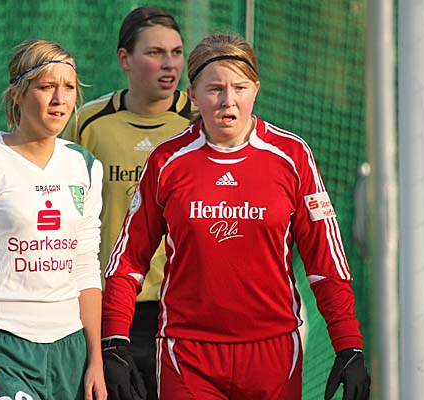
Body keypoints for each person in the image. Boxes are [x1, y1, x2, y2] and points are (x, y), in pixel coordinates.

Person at [101, 33, 371, 400]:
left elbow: (326, 262)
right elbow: (128, 261)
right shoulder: (167, 161)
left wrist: (348, 344)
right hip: (188, 355)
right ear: (192, 95)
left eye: (239, 87)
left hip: (273, 356)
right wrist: (115, 340)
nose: (228, 100)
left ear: (255, 90)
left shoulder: (292, 156)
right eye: (215, 89)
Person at [0, 39, 107, 400]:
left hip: (70, 349)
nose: (59, 99)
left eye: (69, 87)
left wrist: (96, 360)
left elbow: (86, 267)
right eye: (46, 86)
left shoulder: (85, 166)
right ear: (17, 94)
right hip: (1, 345)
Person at [63, 7, 192, 400]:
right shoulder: (88, 123)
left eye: (176, 52)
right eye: (155, 52)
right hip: (111, 308)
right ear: (125, 59)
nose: (169, 64)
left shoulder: (200, 122)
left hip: (183, 309)